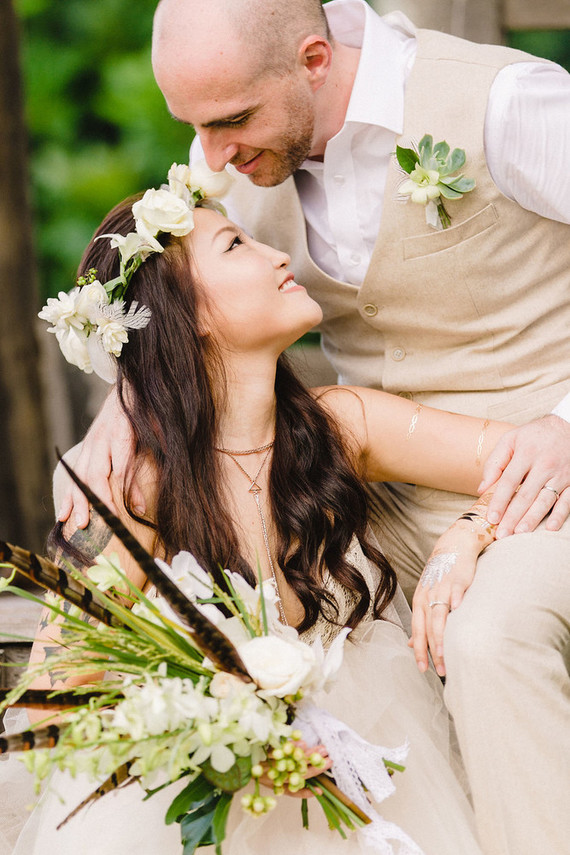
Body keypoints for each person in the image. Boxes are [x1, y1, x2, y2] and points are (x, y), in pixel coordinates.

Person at [59, 2, 570, 853]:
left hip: (536, 478)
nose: (208, 155)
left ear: (314, 60)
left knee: (488, 639)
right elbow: (173, 301)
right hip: (376, 493)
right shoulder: (238, 149)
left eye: (230, 119)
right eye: (194, 126)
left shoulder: (503, 103)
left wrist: (563, 424)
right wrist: (131, 395)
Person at [10, 168, 526, 854]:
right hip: (209, 796)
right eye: (236, 246)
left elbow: (530, 457)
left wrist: (469, 534)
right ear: (189, 316)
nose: (278, 255)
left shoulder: (341, 425)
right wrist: (205, 726)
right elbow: (50, 690)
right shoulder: (141, 486)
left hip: (372, 745)